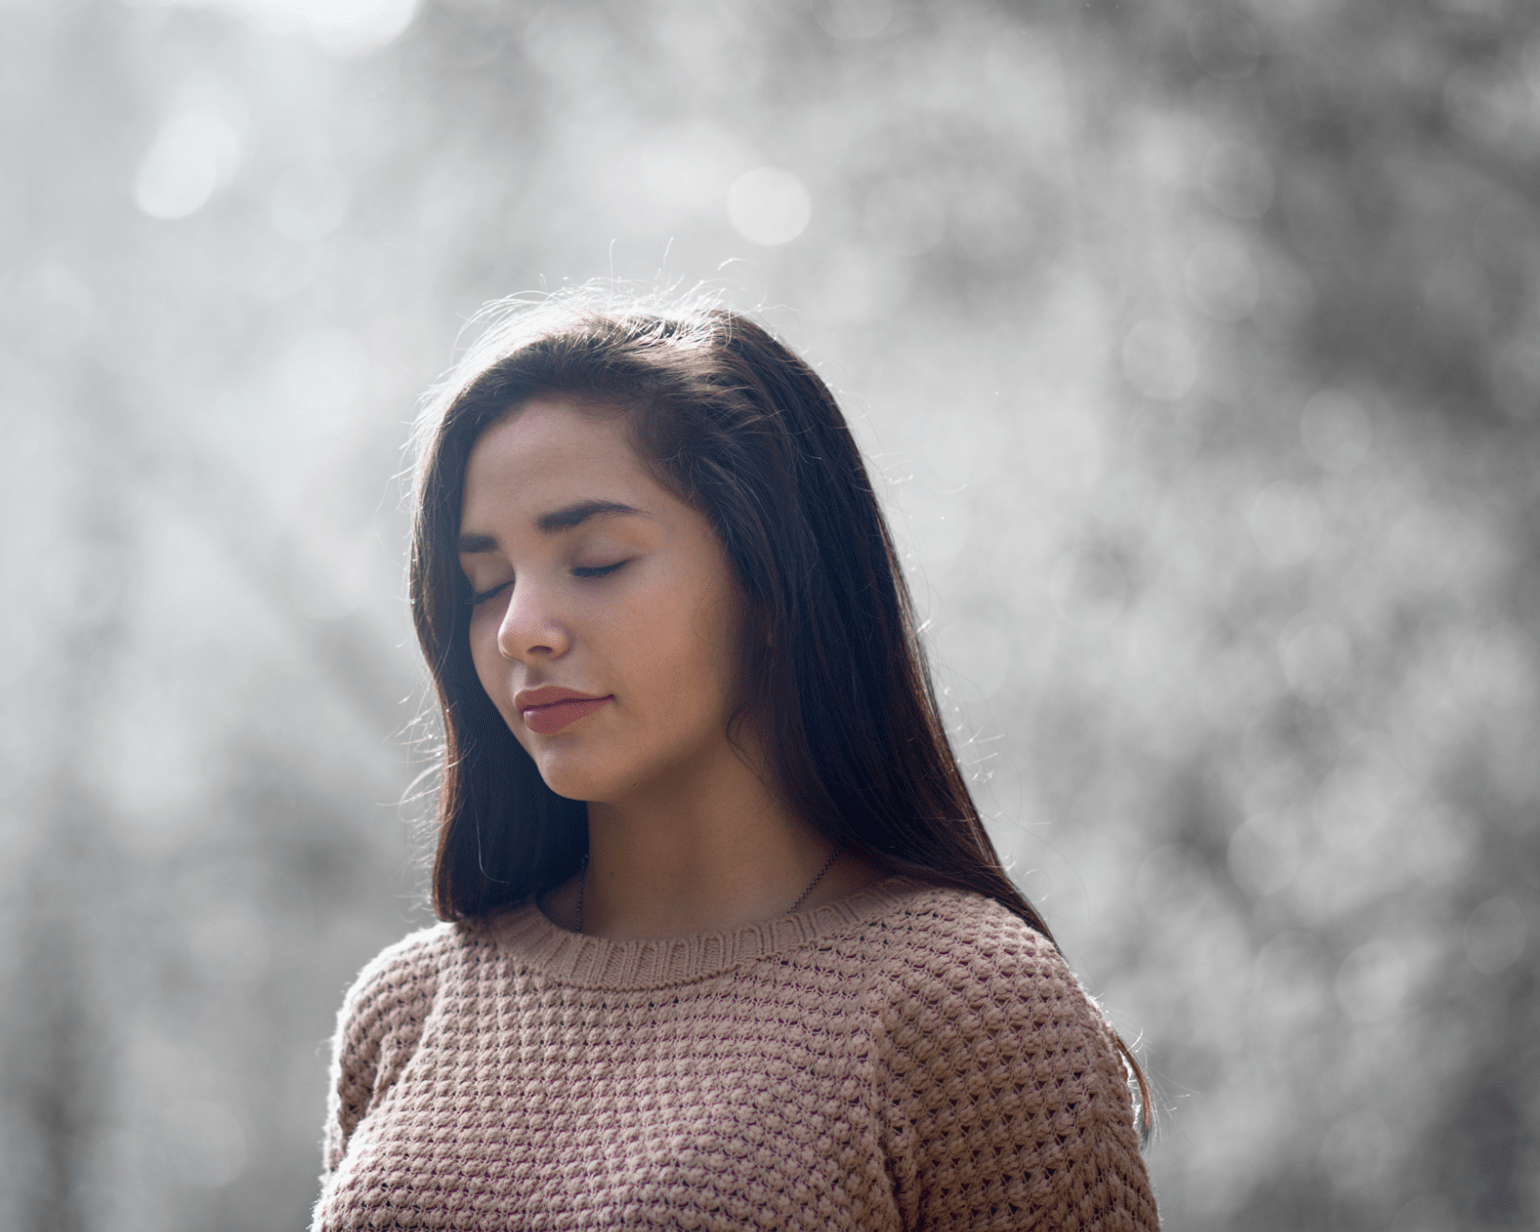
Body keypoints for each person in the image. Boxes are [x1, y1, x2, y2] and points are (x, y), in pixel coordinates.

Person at [312, 293, 1158, 1230]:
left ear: (771, 582)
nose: (519, 630)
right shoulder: (408, 1009)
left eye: (593, 562)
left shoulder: (967, 1008)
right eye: (485, 582)